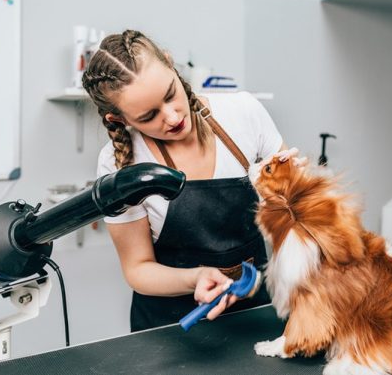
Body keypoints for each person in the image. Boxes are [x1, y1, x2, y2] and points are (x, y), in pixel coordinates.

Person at [82, 29, 298, 332]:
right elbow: (137, 269)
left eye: (171, 95)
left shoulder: (243, 113)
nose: (171, 117)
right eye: (149, 116)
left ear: (172, 66)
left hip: (256, 312)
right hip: (169, 327)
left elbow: (296, 207)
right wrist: (195, 278)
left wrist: (299, 187)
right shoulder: (119, 165)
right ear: (119, 120)